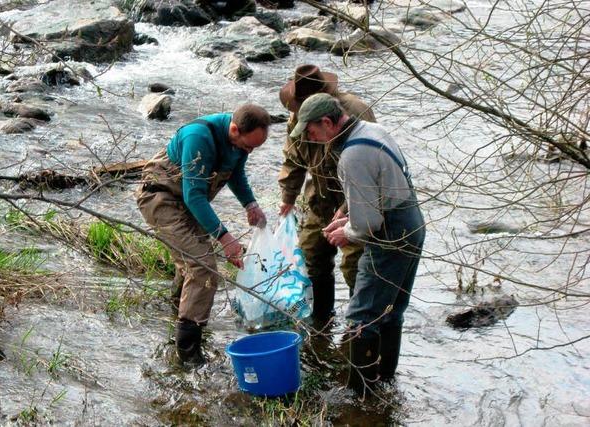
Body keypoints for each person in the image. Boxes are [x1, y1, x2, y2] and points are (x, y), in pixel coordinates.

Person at [290, 93, 425, 395]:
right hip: (412, 225)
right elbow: (378, 189)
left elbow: (368, 224)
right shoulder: (371, 130)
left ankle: (359, 395)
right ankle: (385, 380)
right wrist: (344, 214)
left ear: (327, 122)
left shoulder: (352, 155)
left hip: (390, 237)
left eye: (312, 132)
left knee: (361, 317)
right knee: (391, 309)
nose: (312, 139)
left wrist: (345, 233)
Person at [136, 104, 270, 365]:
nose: (249, 152)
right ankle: (187, 353)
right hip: (160, 197)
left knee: (193, 260)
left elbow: (236, 173)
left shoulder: (239, 142)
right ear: (234, 129)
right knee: (203, 267)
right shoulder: (198, 137)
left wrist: (250, 204)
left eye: (255, 148)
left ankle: (178, 315)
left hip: (187, 199)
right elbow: (194, 195)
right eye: (248, 146)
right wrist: (225, 237)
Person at [278, 64, 376, 321]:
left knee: (355, 264)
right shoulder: (297, 118)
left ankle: (363, 322)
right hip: (319, 199)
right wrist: (288, 198)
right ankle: (322, 319)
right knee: (312, 255)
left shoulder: (355, 112)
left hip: (355, 200)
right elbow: (293, 160)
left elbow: (370, 167)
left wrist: (349, 210)